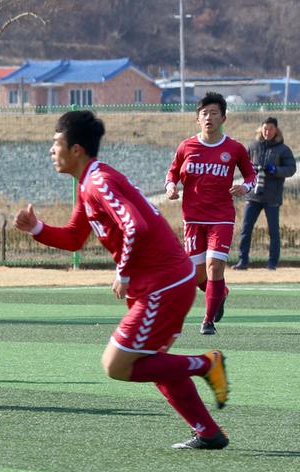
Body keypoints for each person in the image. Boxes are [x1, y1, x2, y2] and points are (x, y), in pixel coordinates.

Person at [15, 110, 230, 449]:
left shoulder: (98, 182)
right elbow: (74, 238)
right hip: (168, 281)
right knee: (153, 362)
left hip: (163, 283)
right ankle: (208, 432)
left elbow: (136, 227)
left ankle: (206, 364)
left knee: (116, 365)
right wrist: (37, 229)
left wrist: (124, 271)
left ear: (76, 150)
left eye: (56, 143)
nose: (50, 150)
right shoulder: (89, 184)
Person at [164, 92, 256, 335]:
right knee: (195, 275)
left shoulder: (234, 148)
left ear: (223, 117)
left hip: (221, 217)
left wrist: (245, 187)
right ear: (197, 119)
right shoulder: (186, 146)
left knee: (215, 266)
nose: (209, 118)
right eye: (204, 113)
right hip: (192, 218)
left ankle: (207, 321)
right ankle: (220, 293)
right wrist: (171, 186)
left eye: (214, 113)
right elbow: (172, 173)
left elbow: (251, 175)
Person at [233, 116, 296, 271]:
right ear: (261, 129)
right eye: (265, 128)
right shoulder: (253, 146)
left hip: (272, 197)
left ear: (276, 130)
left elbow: (291, 169)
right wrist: (250, 169)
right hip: (253, 196)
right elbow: (242, 164)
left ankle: (272, 263)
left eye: (271, 129)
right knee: (246, 229)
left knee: (273, 231)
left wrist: (275, 170)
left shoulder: (283, 149)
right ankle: (243, 261)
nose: (267, 132)